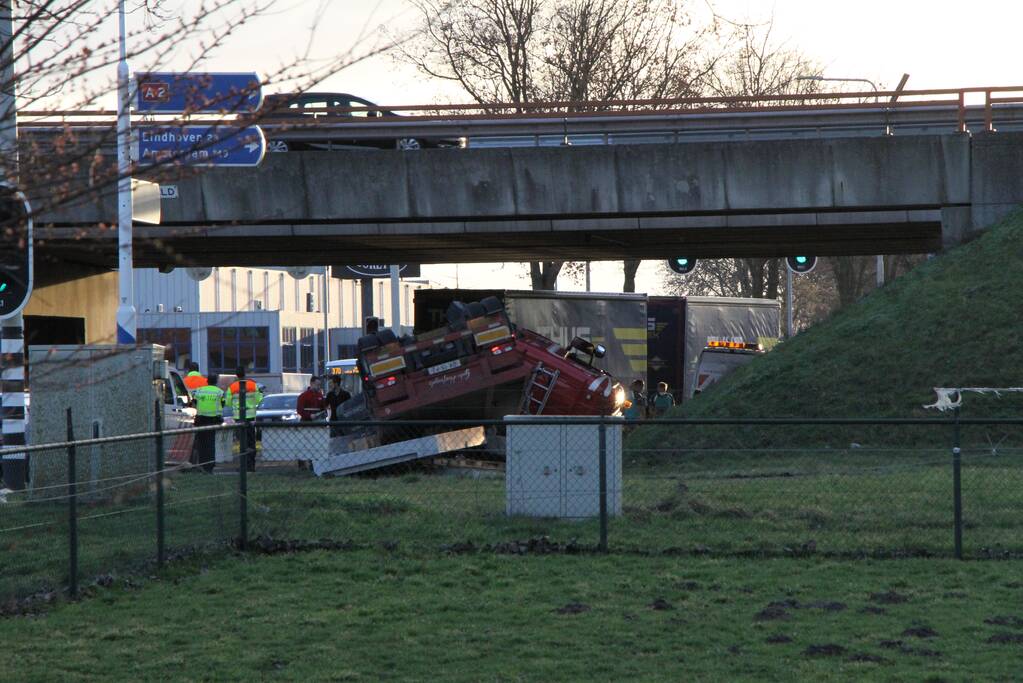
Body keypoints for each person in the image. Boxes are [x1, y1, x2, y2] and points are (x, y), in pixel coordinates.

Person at [228, 366, 262, 471]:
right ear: (245, 373)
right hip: (251, 417)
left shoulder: (232, 387)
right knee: (251, 442)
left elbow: (228, 402)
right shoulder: (252, 385)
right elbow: (258, 400)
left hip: (239, 418)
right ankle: (251, 465)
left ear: (236, 375)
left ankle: (243, 466)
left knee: (242, 442)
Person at [191, 373, 224, 473]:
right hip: (213, 420)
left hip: (201, 419)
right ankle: (209, 466)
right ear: (216, 381)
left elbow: (194, 402)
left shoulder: (200, 390)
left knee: (201, 443)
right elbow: (223, 403)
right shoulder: (219, 392)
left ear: (207, 381)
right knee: (210, 443)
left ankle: (202, 464)